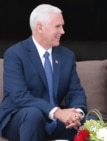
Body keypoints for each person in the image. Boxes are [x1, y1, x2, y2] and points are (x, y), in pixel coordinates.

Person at [0, 4, 87, 141]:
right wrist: (57, 112)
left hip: (54, 122)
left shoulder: (66, 56)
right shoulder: (15, 54)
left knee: (91, 121)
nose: (63, 31)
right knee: (33, 114)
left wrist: (77, 114)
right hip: (21, 119)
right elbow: (20, 96)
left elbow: (75, 91)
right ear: (40, 27)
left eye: (62, 26)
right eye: (57, 26)